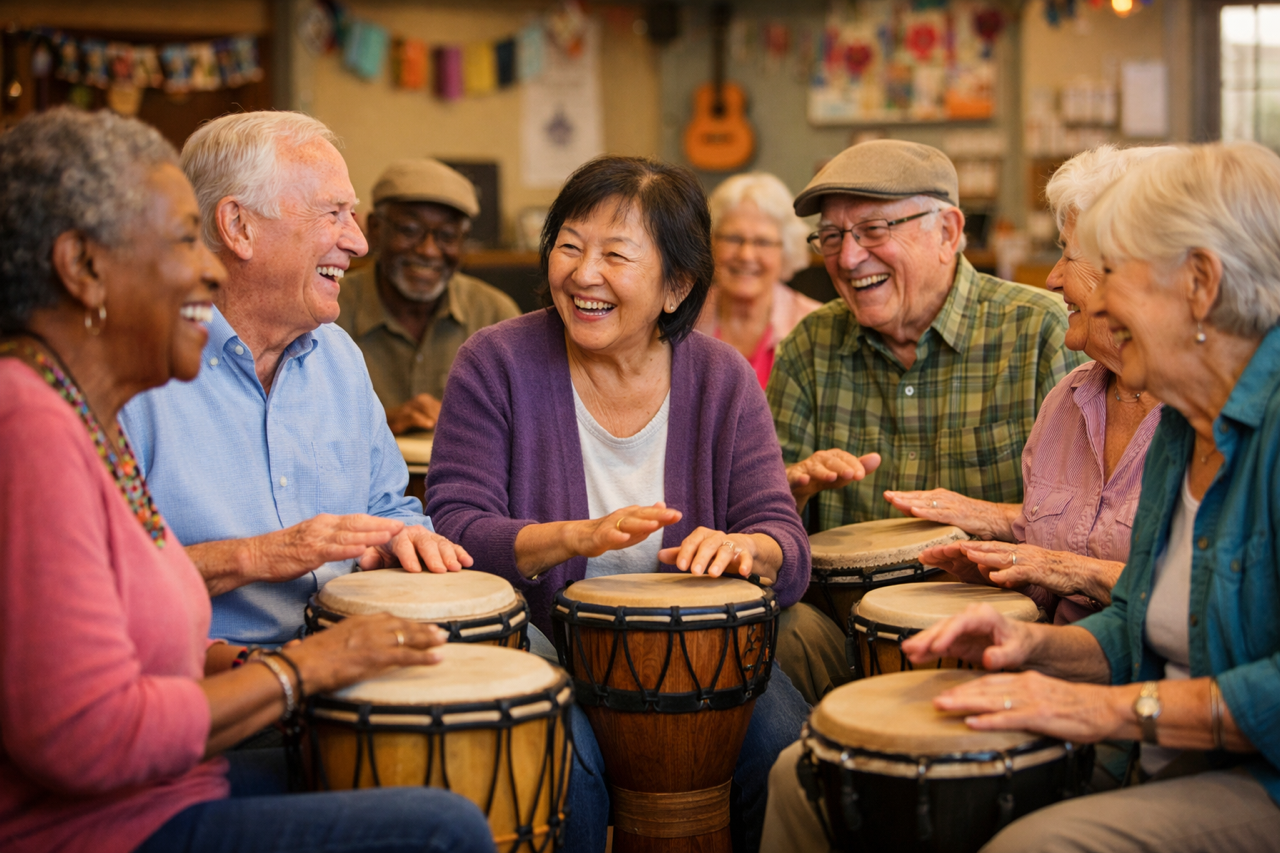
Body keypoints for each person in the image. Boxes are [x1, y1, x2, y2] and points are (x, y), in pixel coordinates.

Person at [763, 142, 1280, 853]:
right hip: (1144, 745)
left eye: (1112, 268)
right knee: (805, 772)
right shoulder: (1180, 428)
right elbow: (1134, 629)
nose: (1078, 288)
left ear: (1199, 283)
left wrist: (1104, 707)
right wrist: (1030, 642)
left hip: (1248, 774)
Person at [0, 108, 493, 853]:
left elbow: (119, 630)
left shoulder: (70, 407)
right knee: (444, 827)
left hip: (201, 757)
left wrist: (251, 662)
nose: (203, 268)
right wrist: (302, 668)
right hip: (124, 819)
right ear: (84, 268)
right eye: (177, 240)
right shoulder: (31, 422)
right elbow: (82, 733)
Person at [425, 156, 811, 853]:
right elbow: (454, 526)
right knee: (569, 772)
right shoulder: (497, 361)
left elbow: (784, 540)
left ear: (676, 285)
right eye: (568, 245)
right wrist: (575, 536)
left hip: (699, 652)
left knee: (786, 753)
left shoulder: (722, 378)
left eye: (614, 254)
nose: (582, 273)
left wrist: (747, 548)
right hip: (545, 640)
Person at [120, 112, 471, 647]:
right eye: (334, 213)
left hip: (348, 663)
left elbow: (389, 507)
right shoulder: (129, 373)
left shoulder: (339, 358)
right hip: (209, 686)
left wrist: (406, 537)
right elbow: (96, 582)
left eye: (352, 215)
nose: (358, 243)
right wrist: (262, 554)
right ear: (238, 226)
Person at [884, 145, 1170, 625]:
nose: (1054, 278)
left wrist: (1071, 571)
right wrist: (1002, 573)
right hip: (1056, 667)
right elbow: (1050, 569)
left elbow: (1218, 612)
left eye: (1067, 253)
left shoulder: (1217, 414)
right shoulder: (1066, 403)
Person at [769, 139, 1086, 533]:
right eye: (831, 237)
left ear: (946, 233)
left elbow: (1086, 518)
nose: (848, 259)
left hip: (995, 593)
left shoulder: (1044, 332)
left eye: (873, 230)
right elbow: (759, 519)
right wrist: (789, 491)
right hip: (832, 597)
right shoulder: (808, 346)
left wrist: (988, 518)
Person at [335, 157, 520, 435]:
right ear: (374, 229)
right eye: (410, 230)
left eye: (447, 235)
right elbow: (300, 425)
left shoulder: (495, 314)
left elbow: (526, 422)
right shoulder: (330, 311)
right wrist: (382, 423)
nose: (429, 251)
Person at [695, 171, 822, 389]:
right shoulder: (683, 319)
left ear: (786, 251)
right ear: (710, 243)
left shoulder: (816, 327)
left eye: (762, 242)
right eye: (734, 238)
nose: (746, 255)